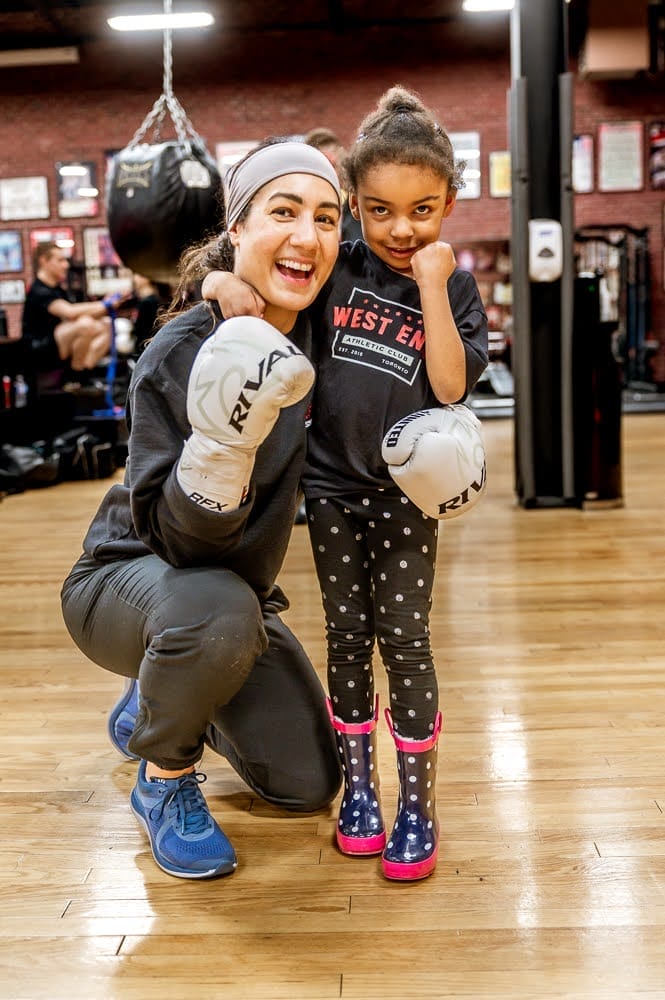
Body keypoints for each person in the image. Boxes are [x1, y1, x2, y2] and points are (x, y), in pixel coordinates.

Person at [202, 87, 489, 881]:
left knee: (406, 640)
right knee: (347, 639)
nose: (403, 229)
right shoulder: (338, 270)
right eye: (380, 211)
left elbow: (451, 387)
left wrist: (433, 282)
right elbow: (260, 296)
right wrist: (220, 287)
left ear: (449, 202)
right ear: (356, 205)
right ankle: (360, 794)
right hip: (329, 491)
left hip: (405, 500)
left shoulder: (452, 286)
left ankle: (416, 808)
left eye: (423, 210)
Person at [60, 138, 344, 881]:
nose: (306, 235)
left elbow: (403, 256)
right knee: (213, 611)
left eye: (326, 217)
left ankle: (167, 689)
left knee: (306, 784)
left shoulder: (321, 331)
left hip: (231, 599)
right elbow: (181, 544)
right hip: (128, 579)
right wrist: (224, 446)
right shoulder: (182, 350)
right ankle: (163, 781)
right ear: (238, 227)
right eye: (283, 211)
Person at [21, 242, 120, 386]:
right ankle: (75, 376)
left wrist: (107, 305)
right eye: (60, 260)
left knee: (105, 325)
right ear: (44, 261)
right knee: (85, 324)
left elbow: (81, 312)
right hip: (39, 349)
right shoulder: (39, 290)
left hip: (59, 344)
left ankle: (83, 373)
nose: (66, 265)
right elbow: (70, 312)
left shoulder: (58, 290)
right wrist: (104, 304)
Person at [303, 126, 363, 244]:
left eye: (333, 165)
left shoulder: (355, 205)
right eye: (322, 166)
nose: (329, 172)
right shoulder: (301, 209)